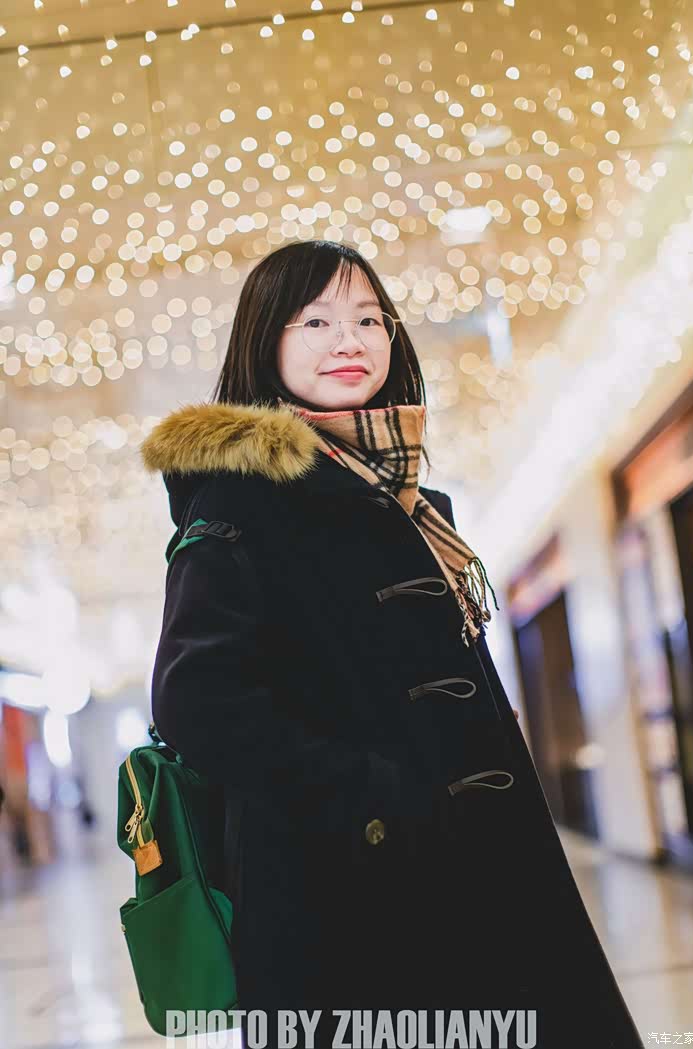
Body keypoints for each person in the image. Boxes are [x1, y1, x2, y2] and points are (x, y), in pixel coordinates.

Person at [140, 240, 644, 1048]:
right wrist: (374, 797)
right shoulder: (241, 499)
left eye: (369, 319)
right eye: (316, 321)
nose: (350, 339)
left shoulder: (405, 499)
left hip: (479, 866)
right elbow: (194, 700)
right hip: (349, 895)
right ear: (265, 341)